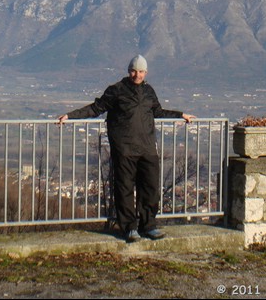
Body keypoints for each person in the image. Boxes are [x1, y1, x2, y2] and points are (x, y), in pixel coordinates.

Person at [58, 55, 195, 243]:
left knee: (150, 188)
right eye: (133, 70)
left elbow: (158, 111)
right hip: (124, 148)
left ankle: (148, 226)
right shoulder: (116, 91)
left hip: (147, 148)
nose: (136, 75)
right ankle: (129, 228)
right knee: (125, 189)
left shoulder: (149, 91)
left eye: (140, 71)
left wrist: (180, 115)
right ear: (128, 71)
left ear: (146, 72)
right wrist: (70, 116)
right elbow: (96, 108)